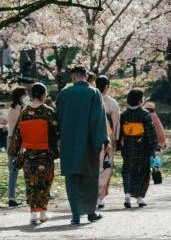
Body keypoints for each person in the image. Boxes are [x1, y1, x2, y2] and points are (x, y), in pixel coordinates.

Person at [56, 65, 109, 225]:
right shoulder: (94, 93)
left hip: (68, 142)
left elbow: (58, 118)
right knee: (90, 177)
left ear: (73, 77)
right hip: (88, 143)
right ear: (86, 76)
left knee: (72, 178)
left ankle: (76, 215)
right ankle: (91, 213)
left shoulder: (64, 94)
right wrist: (103, 140)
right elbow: (98, 120)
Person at [9, 82, 58, 225]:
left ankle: (32, 214)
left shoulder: (24, 112)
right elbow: (56, 132)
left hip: (29, 154)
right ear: (43, 95)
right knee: (45, 182)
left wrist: (13, 151)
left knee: (31, 183)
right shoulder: (48, 111)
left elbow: (17, 134)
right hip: (45, 154)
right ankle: (42, 213)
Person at [118, 89, 160, 209]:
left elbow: (120, 133)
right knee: (143, 173)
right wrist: (154, 147)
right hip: (143, 148)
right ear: (140, 100)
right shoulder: (145, 114)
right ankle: (140, 198)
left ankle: (127, 195)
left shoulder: (124, 115)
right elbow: (150, 133)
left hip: (128, 147)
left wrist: (119, 145)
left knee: (128, 171)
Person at [96, 75, 121, 209]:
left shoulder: (91, 99)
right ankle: (100, 197)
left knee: (94, 166)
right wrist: (116, 139)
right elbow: (116, 123)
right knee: (106, 167)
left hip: (92, 138)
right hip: (107, 139)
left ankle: (93, 195)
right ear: (106, 87)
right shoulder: (112, 103)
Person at [6, 86, 28, 207]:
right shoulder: (21, 110)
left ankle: (11, 196)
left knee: (13, 170)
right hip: (19, 140)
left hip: (10, 140)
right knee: (24, 167)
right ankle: (26, 195)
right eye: (25, 95)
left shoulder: (12, 109)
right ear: (20, 97)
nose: (27, 97)